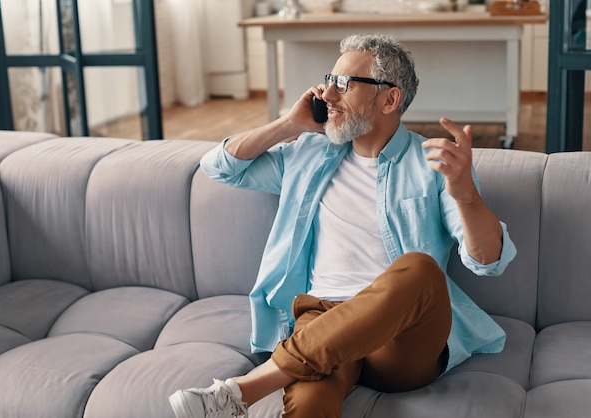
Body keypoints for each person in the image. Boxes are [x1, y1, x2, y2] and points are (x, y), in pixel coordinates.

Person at [169, 34, 517, 418]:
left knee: (420, 268)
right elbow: (218, 167)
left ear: (389, 99)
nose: (327, 95)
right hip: (322, 319)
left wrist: (466, 195)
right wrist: (288, 124)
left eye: (344, 84)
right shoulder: (307, 153)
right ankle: (258, 385)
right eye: (328, 80)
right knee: (308, 404)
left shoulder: (432, 164)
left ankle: (243, 391)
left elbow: (487, 261)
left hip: (400, 340)